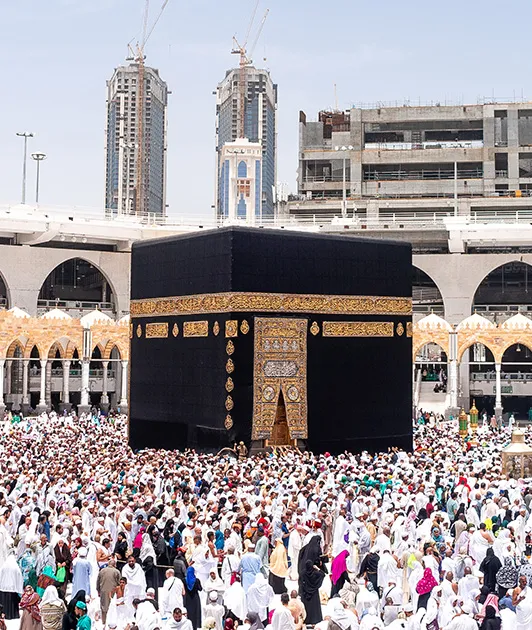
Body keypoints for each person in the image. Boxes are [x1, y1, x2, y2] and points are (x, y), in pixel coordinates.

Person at [298, 560, 324, 625]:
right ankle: (314, 621)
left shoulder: (302, 573)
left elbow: (300, 583)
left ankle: (306, 620)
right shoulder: (315, 573)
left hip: (305, 594)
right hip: (314, 594)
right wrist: (318, 569)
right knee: (314, 608)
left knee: (306, 607)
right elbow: (323, 574)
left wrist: (301, 592)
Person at [96, 558, 121, 623]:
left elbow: (98, 582)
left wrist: (98, 590)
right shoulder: (117, 572)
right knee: (112, 607)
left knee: (104, 606)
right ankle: (112, 623)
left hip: (103, 591)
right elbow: (119, 583)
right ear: (114, 565)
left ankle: (104, 622)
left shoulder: (102, 571)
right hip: (113, 592)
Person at [0, 551, 23, 619]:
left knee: (4, 603)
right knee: (12, 604)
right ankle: (13, 615)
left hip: (3, 588)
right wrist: (20, 588)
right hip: (13, 588)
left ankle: (3, 614)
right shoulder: (15, 567)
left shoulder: (3, 566)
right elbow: (19, 577)